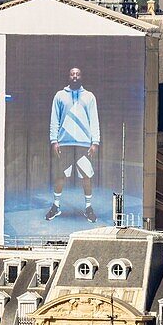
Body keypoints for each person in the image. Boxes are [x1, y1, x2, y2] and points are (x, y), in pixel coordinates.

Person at [46, 67, 100, 222]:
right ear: (68, 76)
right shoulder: (60, 96)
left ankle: (88, 208)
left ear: (81, 76)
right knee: (60, 175)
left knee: (86, 176)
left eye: (78, 74)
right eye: (72, 74)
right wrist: (54, 140)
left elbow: (94, 120)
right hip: (65, 143)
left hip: (84, 144)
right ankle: (56, 206)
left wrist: (95, 142)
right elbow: (54, 119)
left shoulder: (89, 97)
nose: (75, 76)